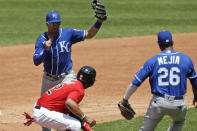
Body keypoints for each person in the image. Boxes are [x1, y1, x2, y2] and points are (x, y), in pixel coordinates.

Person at [33, 1, 106, 130]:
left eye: (58, 23)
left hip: (67, 76)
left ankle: (78, 126)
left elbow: (89, 34)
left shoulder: (68, 33)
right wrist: (45, 50)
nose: (55, 26)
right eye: (53, 24)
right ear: (47, 24)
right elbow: (36, 61)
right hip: (48, 79)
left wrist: (99, 21)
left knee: (71, 104)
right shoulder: (42, 39)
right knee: (46, 112)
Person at [119, 31, 197, 131]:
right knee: (179, 122)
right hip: (179, 103)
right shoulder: (186, 60)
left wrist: (125, 99)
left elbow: (136, 82)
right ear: (172, 42)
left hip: (159, 103)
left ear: (159, 45)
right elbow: (195, 81)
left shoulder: (152, 61)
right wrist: (196, 97)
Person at [24, 66, 97, 131]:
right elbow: (69, 103)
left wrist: (86, 126)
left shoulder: (73, 83)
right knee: (75, 125)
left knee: (66, 125)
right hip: (44, 113)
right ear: (90, 81)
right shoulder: (79, 89)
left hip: (41, 110)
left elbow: (71, 111)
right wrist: (85, 118)